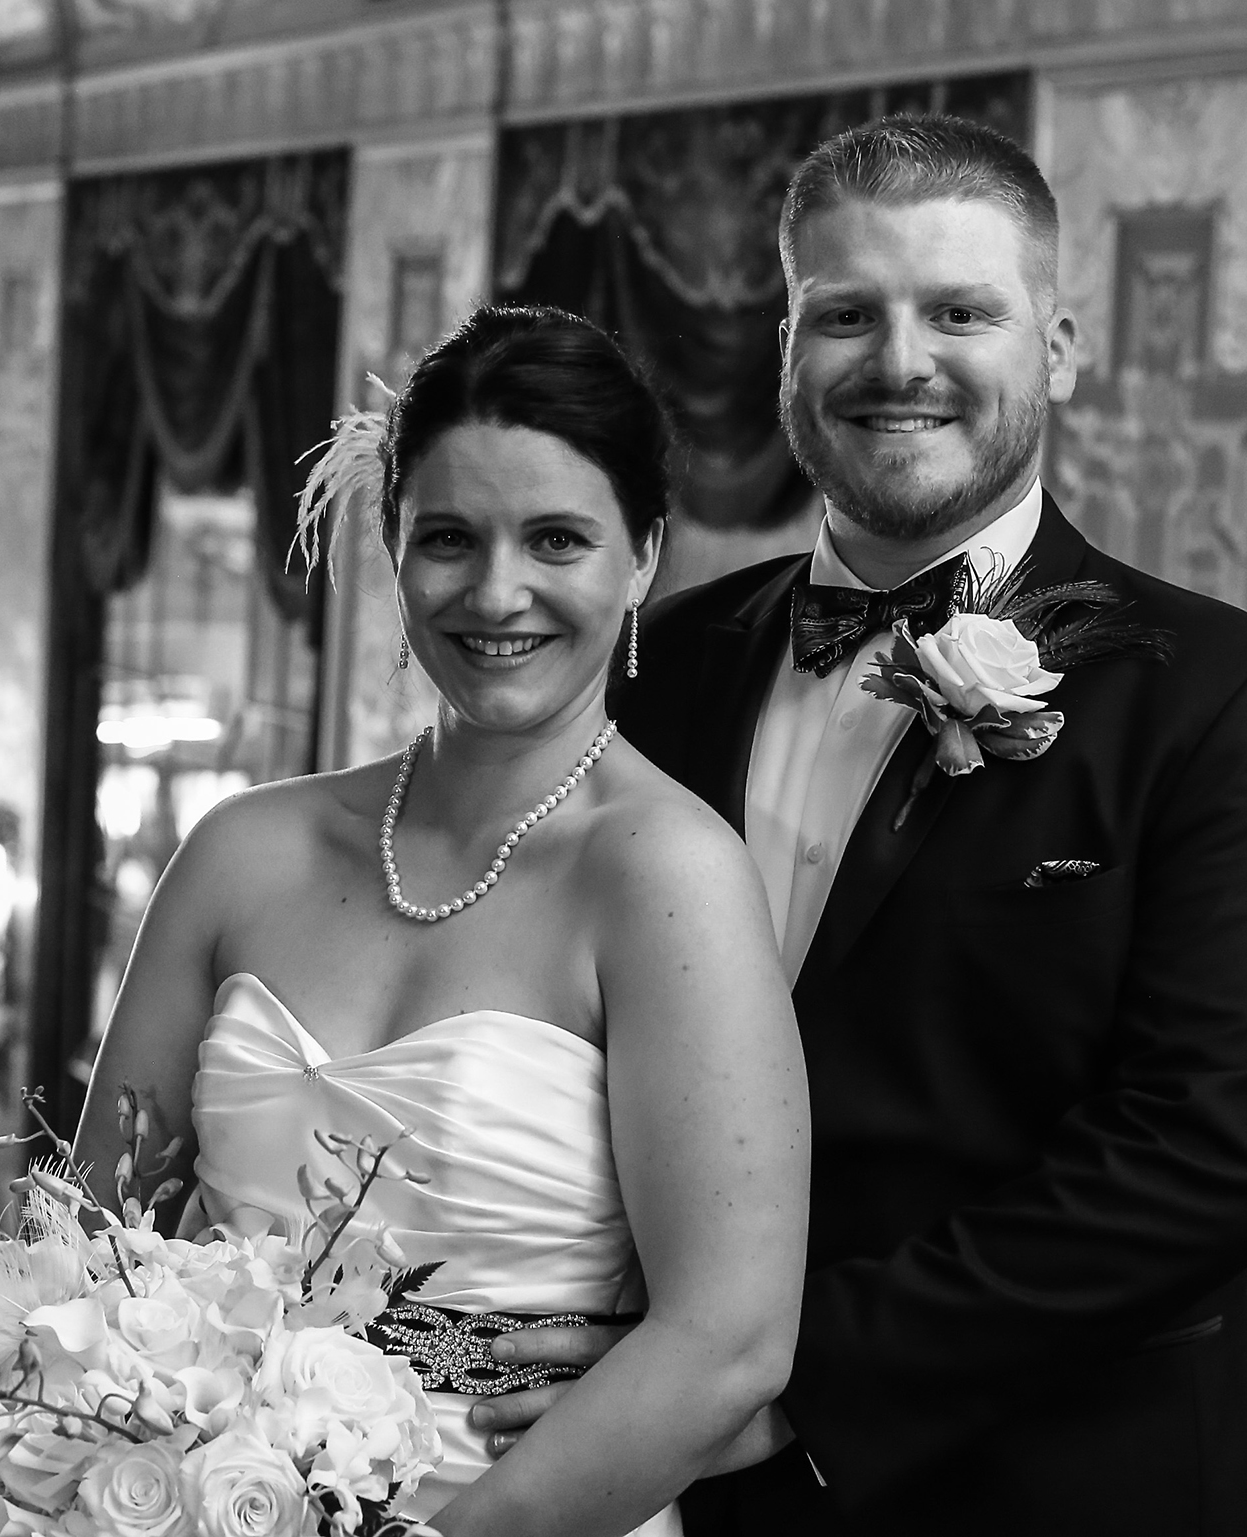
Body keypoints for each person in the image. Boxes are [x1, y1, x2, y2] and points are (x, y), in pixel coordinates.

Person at [477, 113, 1247, 1535]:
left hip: (1057, 1489)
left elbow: (1206, 1158)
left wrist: (779, 1381)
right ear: (785, 352)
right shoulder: (652, 664)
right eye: (845, 315)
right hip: (659, 1490)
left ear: (1057, 347)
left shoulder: (1230, 698)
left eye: (960, 310)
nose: (899, 363)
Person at [72, 305, 811, 1537]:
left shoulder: (666, 875)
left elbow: (728, 1340)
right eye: (449, 538)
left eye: (557, 538)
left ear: (643, 557)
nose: (495, 590)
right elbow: (89, 1237)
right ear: (394, 545)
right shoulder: (239, 851)